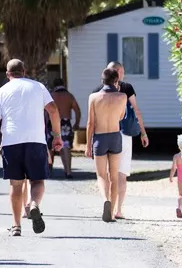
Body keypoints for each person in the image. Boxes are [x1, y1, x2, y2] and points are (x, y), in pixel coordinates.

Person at [0, 59, 62, 237]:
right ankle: (34, 204)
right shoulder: (38, 87)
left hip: (11, 142)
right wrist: (57, 136)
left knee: (16, 185)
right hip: (36, 141)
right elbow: (53, 110)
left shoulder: (2, 91)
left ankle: (16, 225)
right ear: (24, 71)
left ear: (7, 74)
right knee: (37, 181)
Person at [106, 61, 149, 219]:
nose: (123, 74)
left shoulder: (101, 90)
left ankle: (108, 206)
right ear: (117, 71)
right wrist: (143, 133)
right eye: (121, 71)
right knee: (122, 173)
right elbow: (136, 111)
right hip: (124, 134)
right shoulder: (127, 88)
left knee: (110, 174)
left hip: (107, 133)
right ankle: (118, 210)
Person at [86, 68, 126, 222]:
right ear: (116, 81)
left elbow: (90, 123)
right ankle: (111, 213)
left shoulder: (93, 97)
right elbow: (121, 116)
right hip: (115, 136)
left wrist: (88, 145)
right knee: (114, 176)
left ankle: (105, 200)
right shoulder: (122, 96)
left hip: (100, 138)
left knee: (101, 175)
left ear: (102, 80)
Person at [50, 79, 81, 178]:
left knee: (50, 146)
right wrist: (77, 123)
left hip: (51, 123)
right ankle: (68, 171)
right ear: (63, 85)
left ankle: (48, 170)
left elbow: (44, 111)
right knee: (66, 147)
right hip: (65, 124)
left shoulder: (51, 96)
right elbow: (77, 111)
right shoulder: (69, 96)